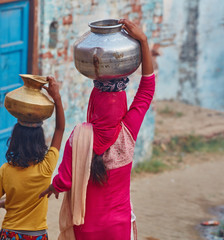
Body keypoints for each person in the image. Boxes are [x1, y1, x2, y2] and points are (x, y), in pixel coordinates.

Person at [40, 19, 156, 240]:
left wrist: (52, 188)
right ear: (122, 107)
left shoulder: (79, 138)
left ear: (93, 106)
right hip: (118, 227)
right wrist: (143, 40)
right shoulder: (127, 132)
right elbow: (147, 88)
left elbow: (64, 181)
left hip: (87, 228)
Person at [0, 76, 65, 240]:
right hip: (37, 235)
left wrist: (3, 203)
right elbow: (59, 129)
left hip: (10, 234)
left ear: (14, 139)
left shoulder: (5, 171)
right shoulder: (46, 167)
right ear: (40, 140)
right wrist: (56, 97)